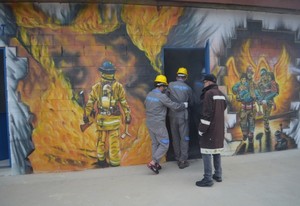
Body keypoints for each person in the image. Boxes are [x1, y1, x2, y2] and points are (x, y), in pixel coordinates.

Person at [83, 61, 131, 168]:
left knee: (101, 141)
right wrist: (127, 114)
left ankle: (101, 160)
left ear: (102, 73)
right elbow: (124, 103)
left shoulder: (96, 87)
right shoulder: (118, 87)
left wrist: (86, 115)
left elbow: (90, 103)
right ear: (113, 73)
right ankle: (114, 163)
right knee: (114, 143)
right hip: (114, 121)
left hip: (101, 121)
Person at [145, 74, 188, 174]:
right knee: (164, 143)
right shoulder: (162, 97)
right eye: (165, 86)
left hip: (149, 122)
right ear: (161, 86)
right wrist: (183, 105)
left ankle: (156, 163)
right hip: (158, 123)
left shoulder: (149, 95)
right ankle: (153, 162)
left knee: (155, 143)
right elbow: (174, 106)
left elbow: (146, 105)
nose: (165, 88)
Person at [196, 74, 227, 187]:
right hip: (219, 129)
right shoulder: (221, 94)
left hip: (210, 129)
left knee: (206, 152)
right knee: (216, 151)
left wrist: (201, 129)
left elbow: (207, 114)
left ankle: (207, 178)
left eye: (204, 82)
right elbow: (223, 107)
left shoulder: (208, 94)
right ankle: (218, 175)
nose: (204, 84)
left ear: (208, 82)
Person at [167, 67, 193, 169]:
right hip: (183, 116)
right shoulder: (188, 88)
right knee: (184, 138)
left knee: (175, 137)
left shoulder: (170, 85)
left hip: (172, 115)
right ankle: (183, 160)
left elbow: (165, 98)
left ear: (177, 76)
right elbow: (192, 102)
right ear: (185, 77)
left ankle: (177, 157)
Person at [232, 68, 259, 153]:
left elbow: (257, 93)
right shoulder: (241, 84)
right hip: (244, 107)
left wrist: (258, 98)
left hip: (252, 107)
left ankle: (250, 138)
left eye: (251, 73)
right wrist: (238, 89)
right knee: (243, 122)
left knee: (252, 122)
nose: (249, 75)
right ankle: (245, 135)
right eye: (248, 73)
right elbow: (234, 89)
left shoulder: (252, 84)